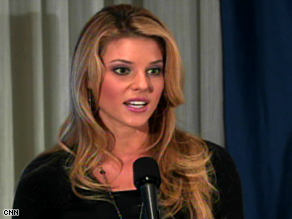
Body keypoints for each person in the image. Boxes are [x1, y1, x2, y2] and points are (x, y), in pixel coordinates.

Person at [13, 4, 244, 219]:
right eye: (123, 70)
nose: (143, 85)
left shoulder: (207, 165)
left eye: (154, 70)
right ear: (89, 78)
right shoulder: (44, 179)